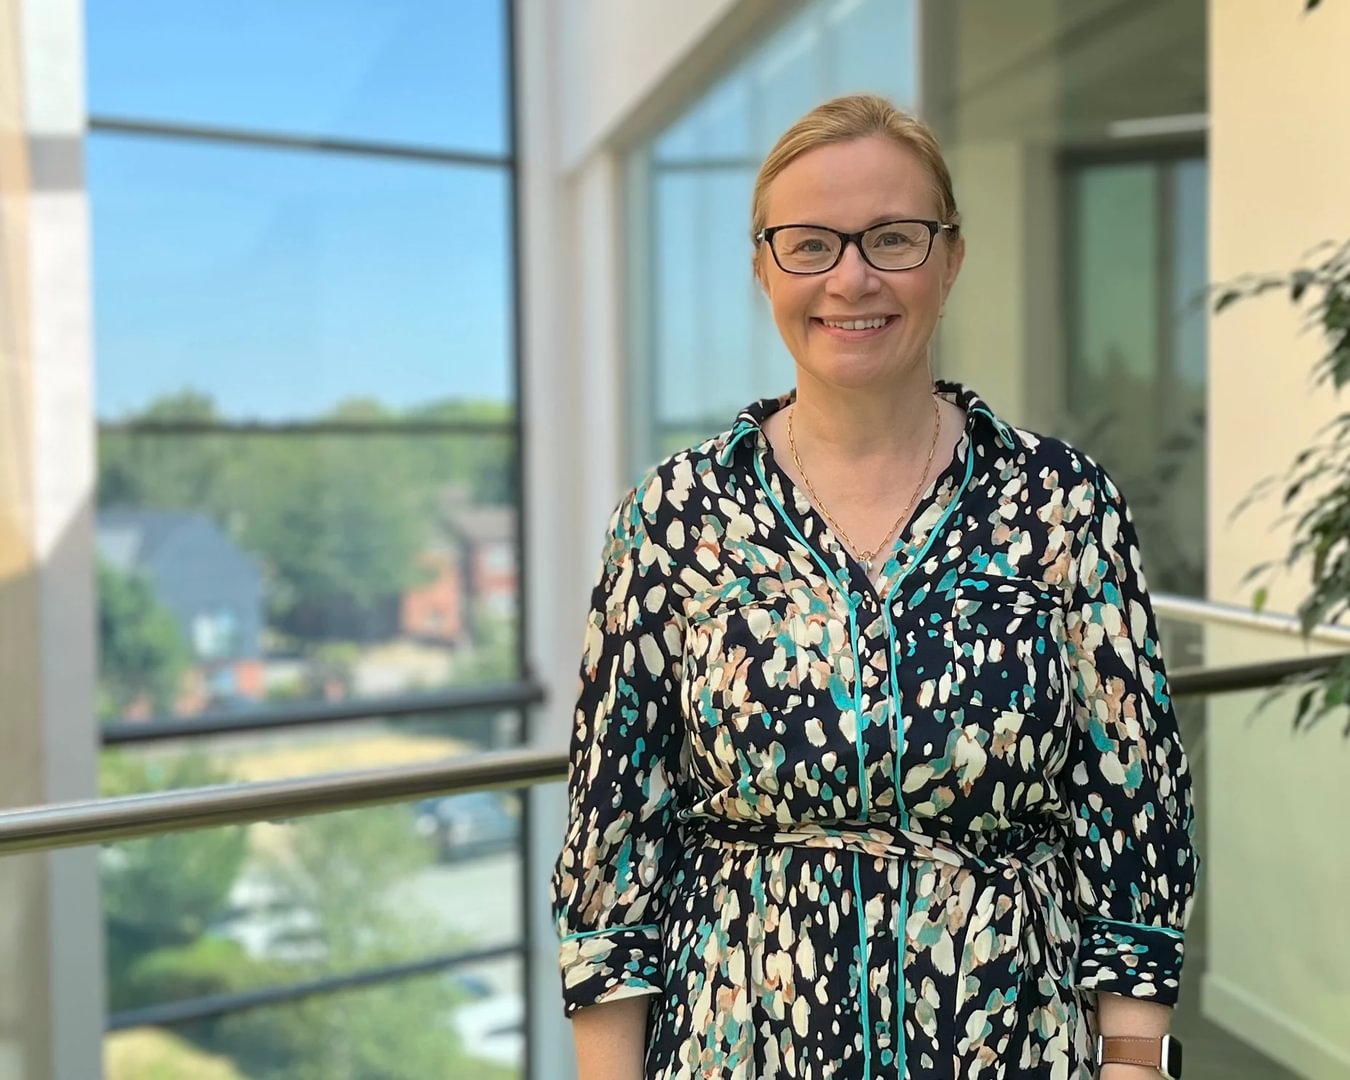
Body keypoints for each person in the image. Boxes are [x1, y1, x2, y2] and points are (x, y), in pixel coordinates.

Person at [550, 93, 1197, 1080]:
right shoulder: (674, 515)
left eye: (892, 238)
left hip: (1012, 1041)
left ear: (951, 258)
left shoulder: (1061, 501)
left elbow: (1133, 799)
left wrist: (1135, 1060)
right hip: (740, 1046)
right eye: (810, 244)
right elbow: (613, 832)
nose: (851, 277)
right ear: (764, 268)